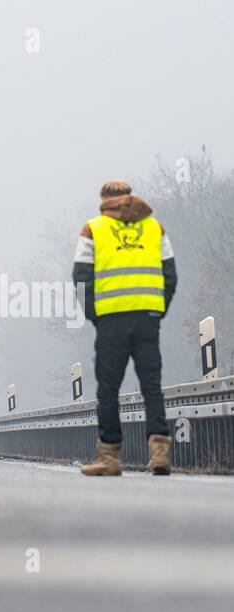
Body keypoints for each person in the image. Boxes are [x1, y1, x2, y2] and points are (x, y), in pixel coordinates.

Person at [73, 180, 178, 476]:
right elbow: (170, 274)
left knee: (108, 389)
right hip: (147, 319)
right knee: (151, 386)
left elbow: (80, 277)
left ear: (104, 198)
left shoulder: (93, 229)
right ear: (129, 196)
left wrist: (94, 315)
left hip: (111, 322)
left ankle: (109, 459)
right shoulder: (155, 228)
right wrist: (158, 310)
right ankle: (160, 455)